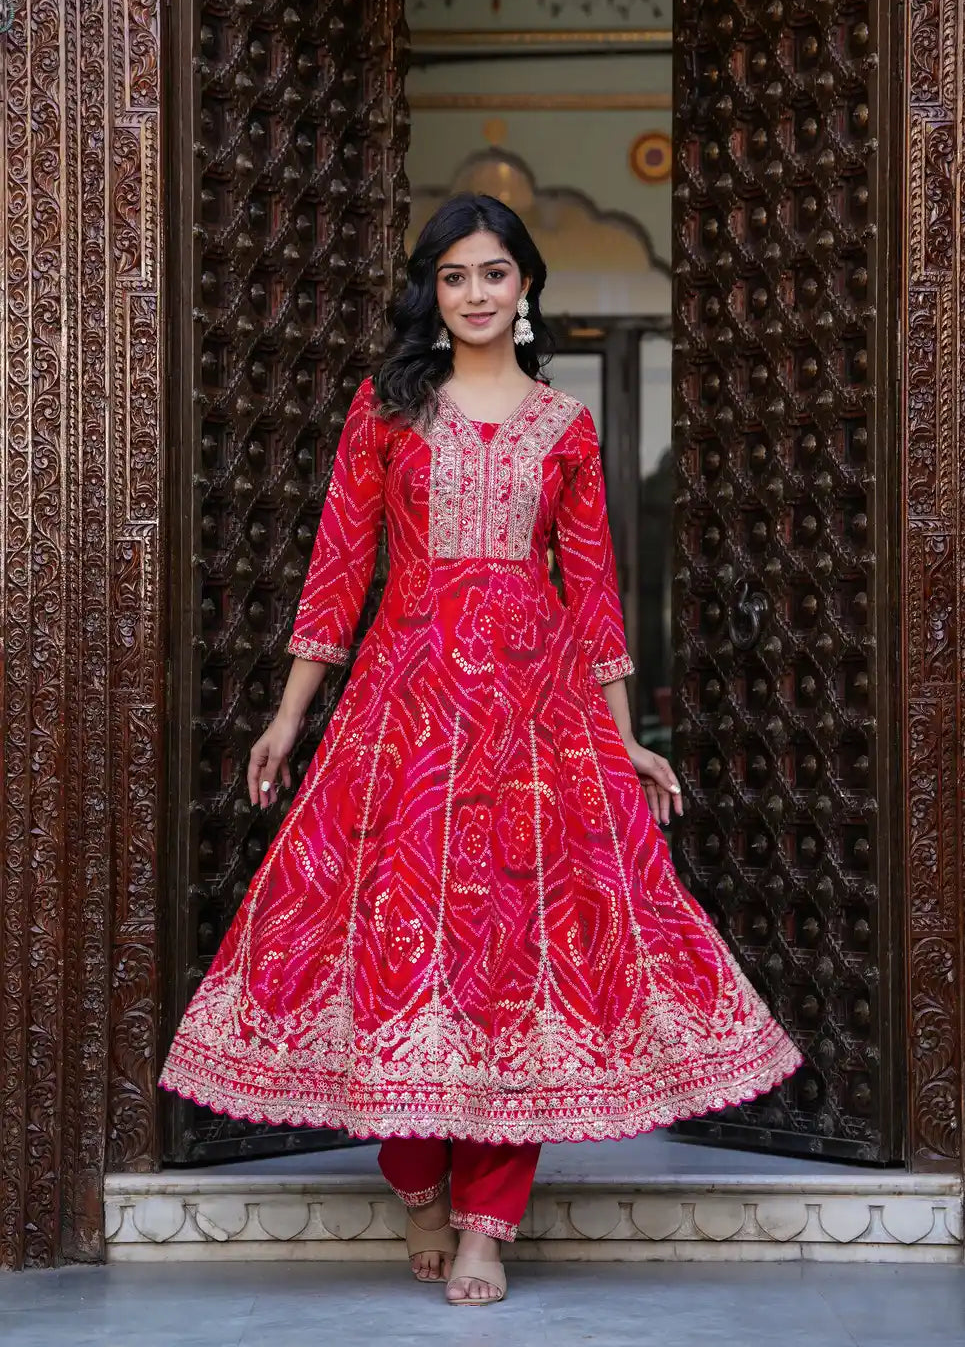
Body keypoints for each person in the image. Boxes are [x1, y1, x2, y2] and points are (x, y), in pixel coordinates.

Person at [160, 193, 802, 1306]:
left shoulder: (566, 426)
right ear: (432, 291)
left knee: (517, 957)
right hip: (400, 717)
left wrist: (622, 741)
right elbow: (334, 569)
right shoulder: (387, 410)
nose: (472, 293)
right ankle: (414, 1180)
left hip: (533, 722)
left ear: (524, 286)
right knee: (388, 942)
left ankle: (484, 1228)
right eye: (452, 276)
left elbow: (594, 594)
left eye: (492, 273)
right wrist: (285, 714)